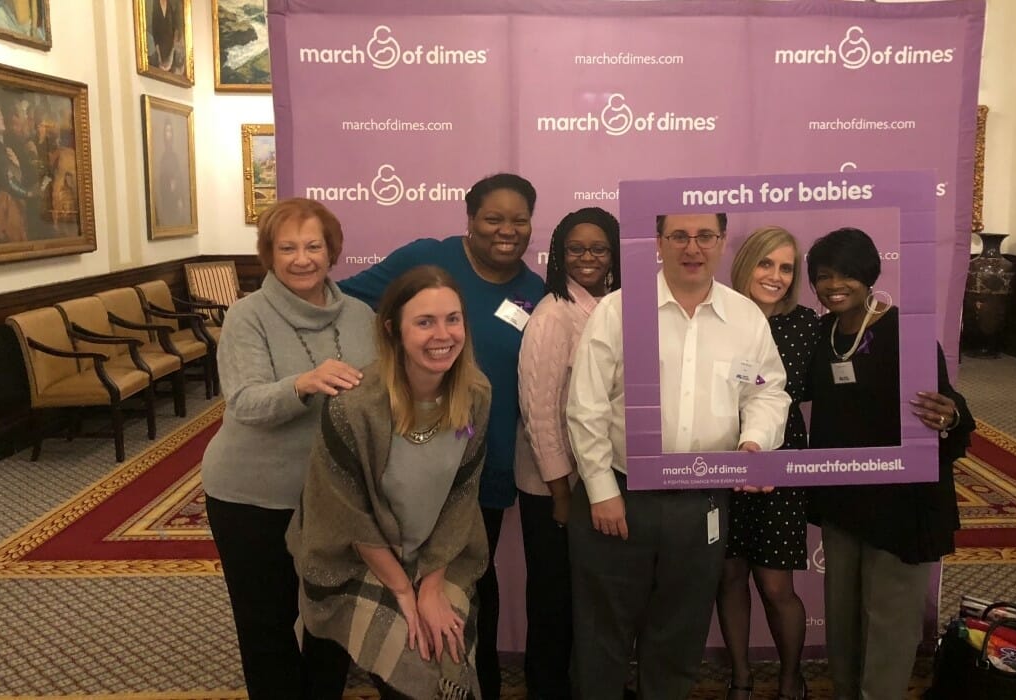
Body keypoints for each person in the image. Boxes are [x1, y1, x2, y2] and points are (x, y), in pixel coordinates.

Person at [566, 212, 791, 699]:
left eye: (705, 236)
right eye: (680, 236)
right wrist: (602, 490)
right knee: (600, 639)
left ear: (722, 242)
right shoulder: (619, 310)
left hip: (703, 502)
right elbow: (586, 404)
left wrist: (754, 444)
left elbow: (766, 392)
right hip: (619, 499)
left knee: (679, 636)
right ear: (659, 242)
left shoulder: (745, 317)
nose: (693, 247)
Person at [339, 172, 544, 700]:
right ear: (470, 219)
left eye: (519, 220)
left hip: (485, 463)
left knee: (473, 577)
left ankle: (479, 685)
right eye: (494, 218)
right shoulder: (426, 259)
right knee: (405, 582)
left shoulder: (536, 293)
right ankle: (411, 681)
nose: (507, 230)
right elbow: (346, 303)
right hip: (408, 457)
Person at [287, 265, 493, 700]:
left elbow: (462, 494)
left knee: (448, 646)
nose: (443, 335)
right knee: (414, 658)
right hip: (353, 558)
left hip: (436, 552)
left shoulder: (475, 394)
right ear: (392, 330)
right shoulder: (353, 408)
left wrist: (431, 586)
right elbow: (349, 517)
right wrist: (404, 590)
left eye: (452, 319)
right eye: (424, 322)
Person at [201, 198, 377, 699]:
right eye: (288, 248)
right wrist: (303, 383)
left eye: (313, 246)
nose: (302, 258)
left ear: (332, 251)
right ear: (269, 254)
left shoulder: (361, 315)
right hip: (252, 498)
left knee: (334, 623)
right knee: (267, 628)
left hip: (335, 501)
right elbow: (245, 402)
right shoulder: (246, 316)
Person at [804, 227, 975, 700]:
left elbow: (947, 404)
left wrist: (951, 414)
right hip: (843, 500)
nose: (834, 285)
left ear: (870, 276)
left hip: (901, 502)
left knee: (890, 622)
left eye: (847, 275)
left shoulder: (905, 329)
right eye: (822, 277)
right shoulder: (822, 333)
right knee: (842, 618)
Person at [516, 207, 620, 699]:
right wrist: (560, 491)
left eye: (598, 248)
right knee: (555, 600)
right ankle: (548, 690)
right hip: (553, 487)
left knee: (593, 600)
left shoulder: (616, 307)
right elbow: (540, 414)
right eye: (576, 248)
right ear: (559, 253)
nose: (587, 258)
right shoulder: (553, 314)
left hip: (600, 481)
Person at [718, 226, 818, 700]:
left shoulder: (806, 325)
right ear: (745, 264)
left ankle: (789, 677)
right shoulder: (716, 315)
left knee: (777, 585)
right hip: (717, 458)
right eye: (766, 263)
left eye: (785, 267)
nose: (775, 276)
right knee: (729, 574)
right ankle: (740, 677)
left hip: (781, 463)